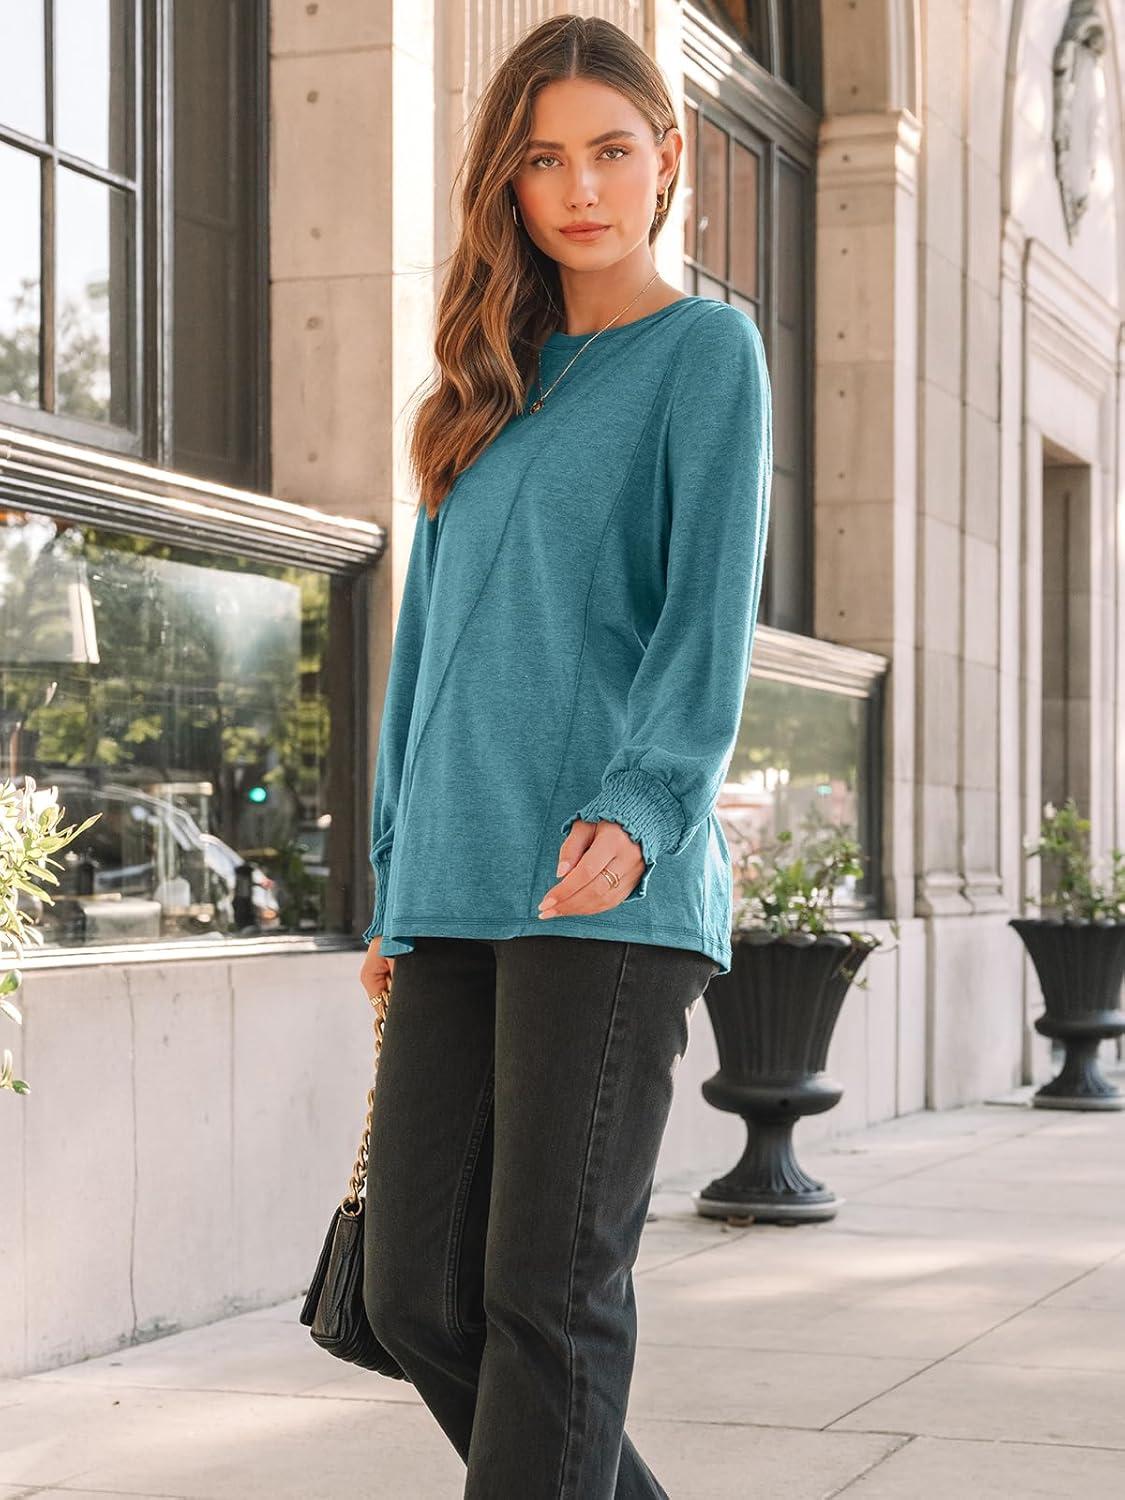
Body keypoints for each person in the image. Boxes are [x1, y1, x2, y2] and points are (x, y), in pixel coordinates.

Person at [356, 14, 772, 1498]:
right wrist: (395, 882)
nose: (581, 188)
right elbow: (425, 658)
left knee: (548, 1293)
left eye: (610, 150)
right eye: (543, 159)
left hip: (603, 884)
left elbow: (707, 615)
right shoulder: (482, 386)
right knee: (411, 1294)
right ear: (509, 184)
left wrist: (647, 803)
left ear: (669, 158)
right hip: (458, 879)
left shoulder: (705, 354)